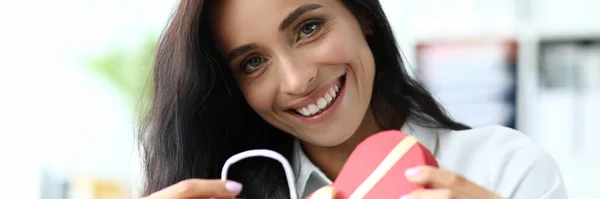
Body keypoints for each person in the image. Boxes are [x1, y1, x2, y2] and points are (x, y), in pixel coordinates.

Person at [138, 0, 568, 198]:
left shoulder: (506, 169)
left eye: (308, 28)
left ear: (361, 14)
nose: (296, 80)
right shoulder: (231, 189)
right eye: (252, 63)